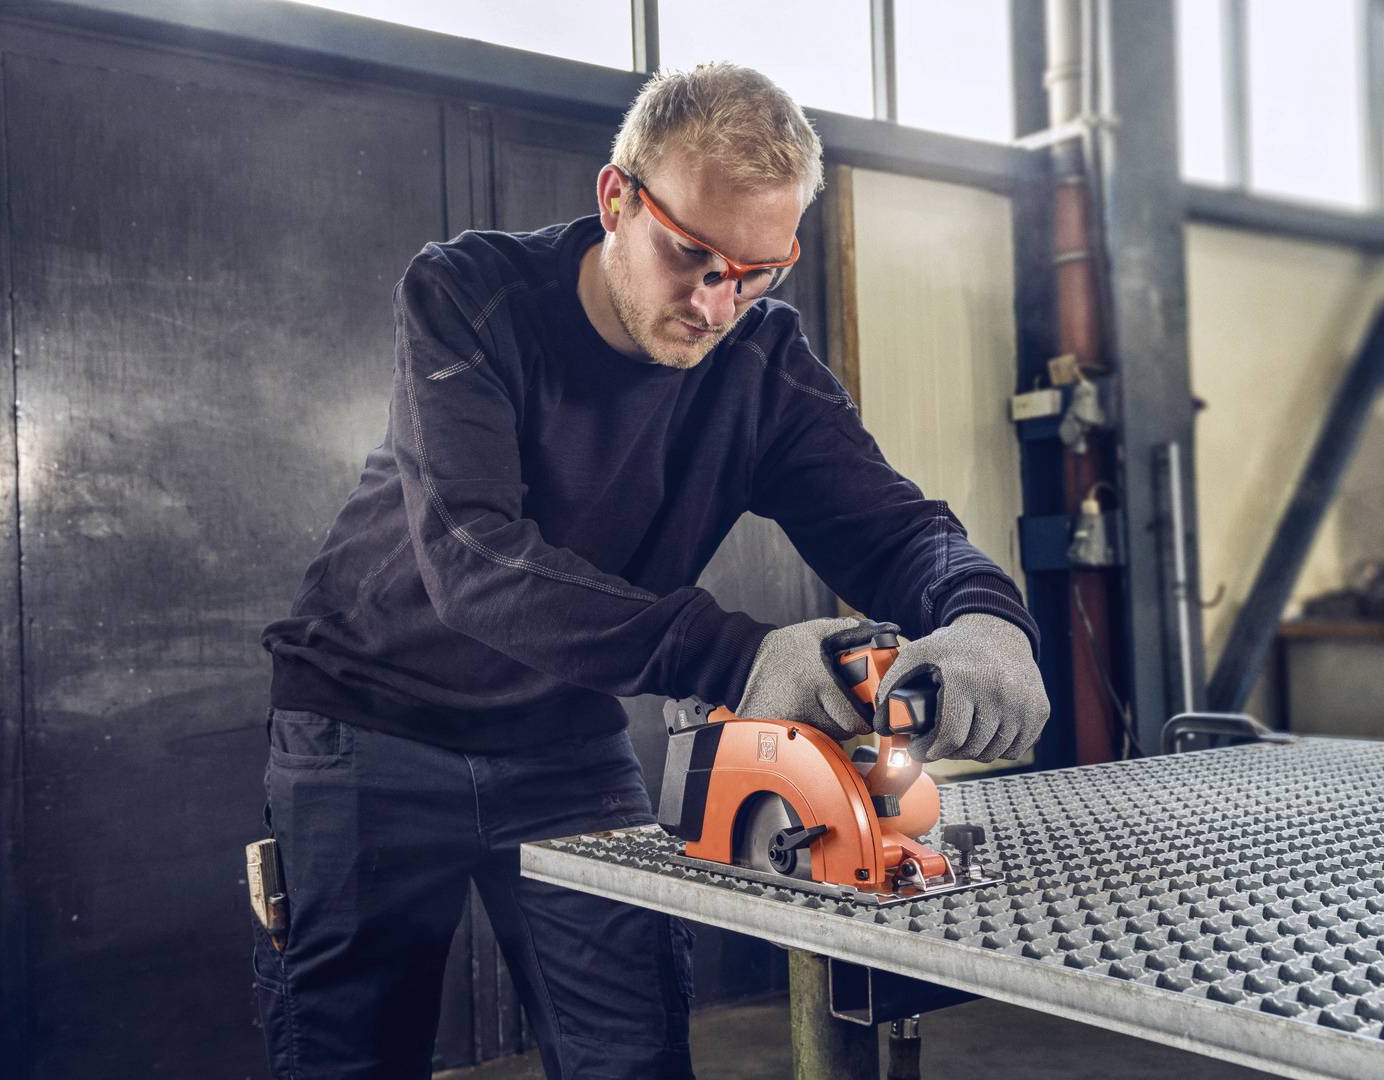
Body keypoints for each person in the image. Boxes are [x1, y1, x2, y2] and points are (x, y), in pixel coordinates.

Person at [253, 62, 1049, 1080]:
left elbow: (896, 531)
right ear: (615, 199)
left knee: (631, 1056)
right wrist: (740, 655)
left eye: (757, 272)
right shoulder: (468, 295)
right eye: (692, 257)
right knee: (344, 1060)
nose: (719, 304)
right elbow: (476, 562)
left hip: (563, 740)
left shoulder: (761, 363)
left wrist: (986, 618)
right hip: (367, 723)